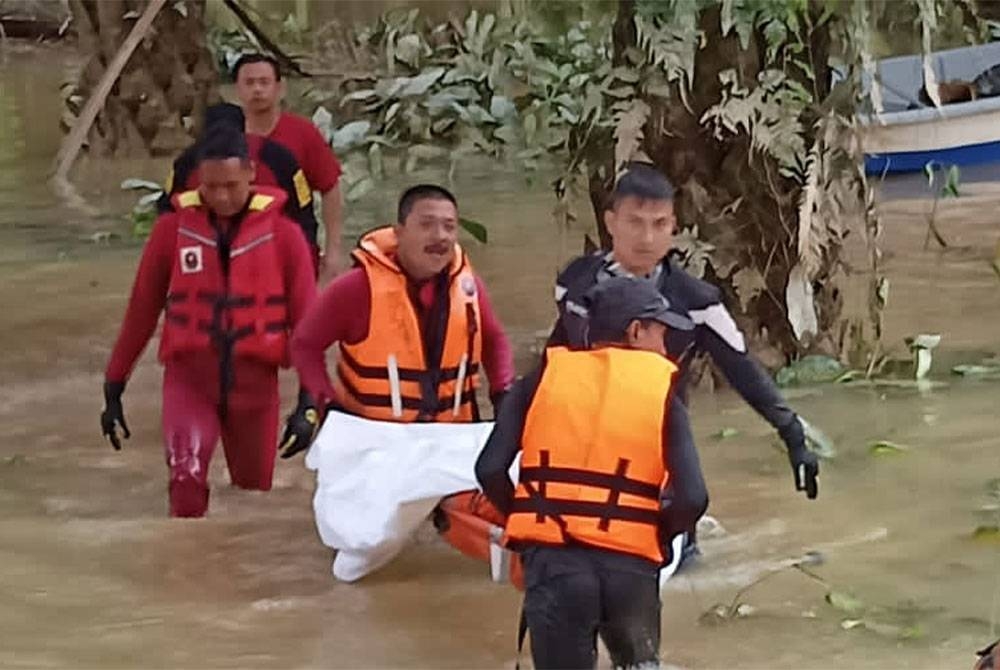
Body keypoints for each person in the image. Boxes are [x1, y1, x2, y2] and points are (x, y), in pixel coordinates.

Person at [548, 163, 820, 563]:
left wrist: (793, 435)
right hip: (580, 447)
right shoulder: (574, 283)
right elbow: (556, 359)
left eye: (659, 224)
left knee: (676, 563)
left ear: (673, 227)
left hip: (660, 448)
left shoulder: (696, 301)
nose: (647, 237)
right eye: (635, 222)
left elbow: (744, 371)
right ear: (610, 222)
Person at [475, 276, 708, 670]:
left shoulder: (540, 381)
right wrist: (658, 533)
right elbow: (693, 498)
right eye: (660, 333)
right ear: (636, 331)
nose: (664, 346)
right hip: (629, 570)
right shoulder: (662, 394)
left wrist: (528, 525)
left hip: (555, 567)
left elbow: (489, 469)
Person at [99, 124, 317, 517]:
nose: (221, 197)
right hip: (189, 380)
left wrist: (309, 403)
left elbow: (308, 327)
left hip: (256, 388)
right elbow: (141, 311)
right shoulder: (171, 232)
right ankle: (181, 555)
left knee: (253, 500)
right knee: (185, 478)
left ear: (251, 173)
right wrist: (114, 385)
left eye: (231, 185)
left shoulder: (285, 237)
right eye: (211, 186)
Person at [287, 184, 514, 434]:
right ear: (399, 233)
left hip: (453, 436)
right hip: (372, 438)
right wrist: (321, 401)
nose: (440, 236)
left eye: (449, 227)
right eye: (427, 225)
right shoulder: (357, 288)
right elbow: (305, 344)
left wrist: (503, 392)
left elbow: (493, 340)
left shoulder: (468, 287)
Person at [157, 102, 322, 273]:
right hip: (203, 262)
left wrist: (305, 265)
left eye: (231, 185)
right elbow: (167, 214)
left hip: (267, 260)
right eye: (212, 185)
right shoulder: (186, 163)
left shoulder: (279, 159)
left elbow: (304, 217)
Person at [232, 53, 344, 283]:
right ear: (237, 90)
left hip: (295, 248)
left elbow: (330, 188)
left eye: (264, 82)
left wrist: (333, 250)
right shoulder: (225, 138)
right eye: (249, 83)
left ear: (280, 88)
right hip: (236, 250)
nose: (257, 90)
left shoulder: (303, 133)